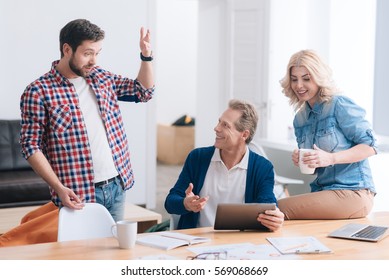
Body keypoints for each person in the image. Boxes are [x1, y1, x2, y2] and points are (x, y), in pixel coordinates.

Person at [20, 19, 154, 221]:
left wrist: (146, 57)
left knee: (115, 251)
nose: (94, 61)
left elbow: (143, 91)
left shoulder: (100, 77)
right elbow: (30, 146)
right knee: (82, 252)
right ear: (67, 49)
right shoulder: (38, 91)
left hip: (117, 185)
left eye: (97, 53)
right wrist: (58, 188)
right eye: (87, 53)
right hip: (77, 194)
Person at [278, 49, 377, 220]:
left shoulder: (338, 104)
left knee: (275, 209)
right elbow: (314, 170)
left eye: (306, 78)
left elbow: (370, 146)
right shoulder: (300, 119)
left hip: (353, 192)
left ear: (319, 78)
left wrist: (331, 158)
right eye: (294, 79)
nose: (299, 85)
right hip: (323, 191)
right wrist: (305, 160)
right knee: (271, 211)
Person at [164, 99, 284, 231]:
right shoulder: (197, 158)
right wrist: (186, 204)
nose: (216, 128)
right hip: (197, 241)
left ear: (244, 134)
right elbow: (170, 203)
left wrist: (274, 217)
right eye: (219, 122)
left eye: (225, 125)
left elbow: (267, 205)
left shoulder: (263, 168)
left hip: (239, 244)